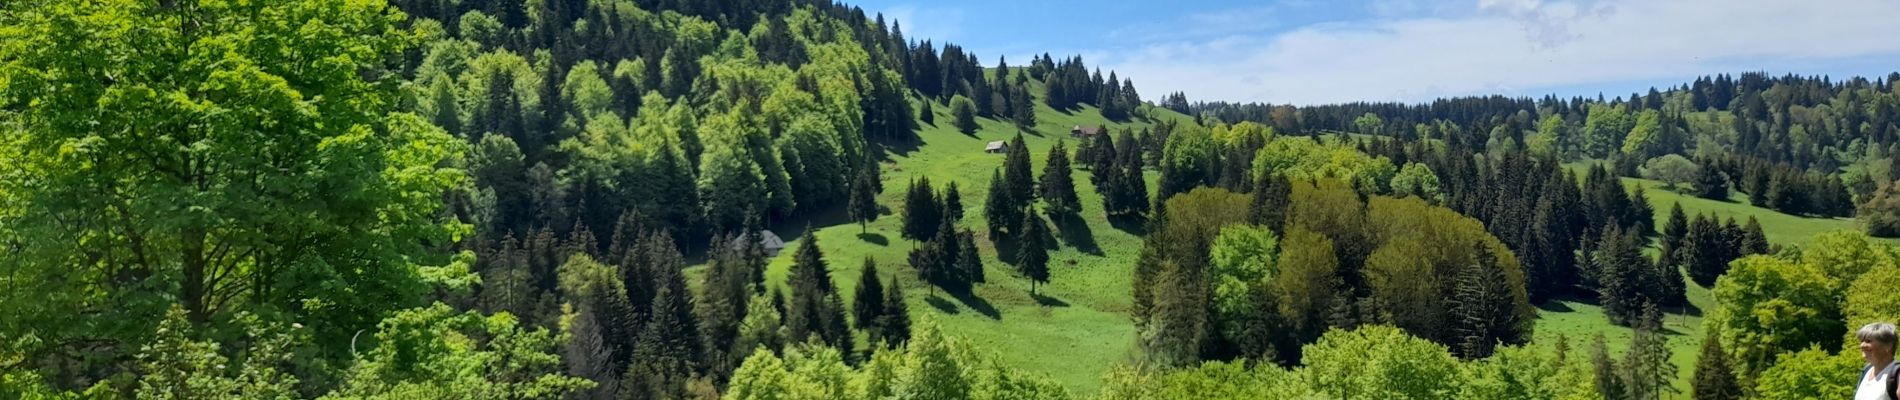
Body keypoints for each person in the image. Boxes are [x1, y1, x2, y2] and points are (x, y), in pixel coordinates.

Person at [1857, 322, 1900, 400]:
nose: (1862, 345)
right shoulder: (1866, 370)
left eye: (1868, 341)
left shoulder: (1897, 374)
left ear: (1888, 346)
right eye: (1862, 341)